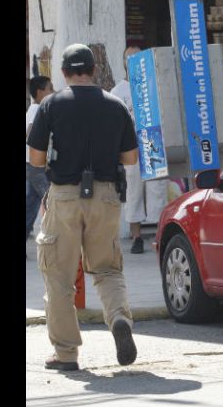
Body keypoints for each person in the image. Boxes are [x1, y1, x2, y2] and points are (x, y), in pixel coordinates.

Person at [27, 43, 139, 371]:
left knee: (59, 276)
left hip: (63, 195)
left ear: (63, 73)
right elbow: (131, 158)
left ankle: (65, 353)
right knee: (107, 268)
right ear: (94, 70)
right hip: (106, 195)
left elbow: (35, 159)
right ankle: (119, 319)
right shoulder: (116, 105)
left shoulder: (51, 105)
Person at [110, 45, 169, 254]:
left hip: (153, 143)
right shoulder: (117, 93)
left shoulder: (156, 85)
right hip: (131, 146)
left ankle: (160, 236)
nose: (134, 61)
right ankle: (136, 237)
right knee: (134, 191)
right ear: (124, 63)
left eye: (138, 57)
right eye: (130, 58)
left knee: (157, 190)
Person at [26, 76, 54, 248]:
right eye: (50, 88)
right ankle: (54, 239)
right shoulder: (37, 109)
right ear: (40, 92)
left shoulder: (36, 108)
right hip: (35, 165)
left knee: (32, 203)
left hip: (33, 164)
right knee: (52, 200)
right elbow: (30, 132)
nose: (53, 91)